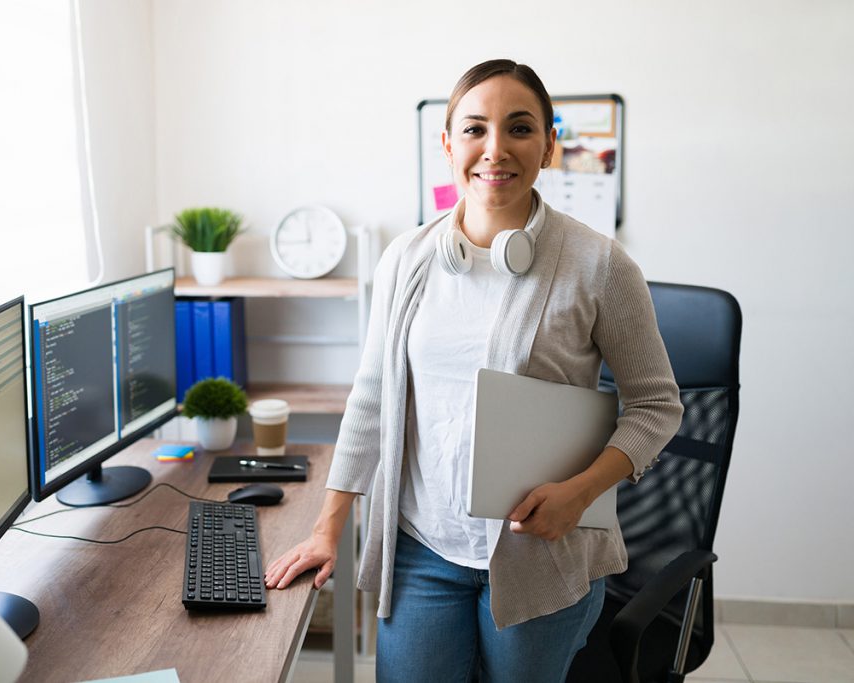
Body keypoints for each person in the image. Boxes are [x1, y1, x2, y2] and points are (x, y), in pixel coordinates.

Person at [264, 59, 683, 682]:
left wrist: (581, 493)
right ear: (447, 143)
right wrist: (329, 528)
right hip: (421, 551)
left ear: (548, 145)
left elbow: (657, 407)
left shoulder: (600, 266)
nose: (495, 149)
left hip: (541, 551)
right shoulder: (407, 258)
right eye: (474, 129)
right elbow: (372, 397)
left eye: (519, 128)